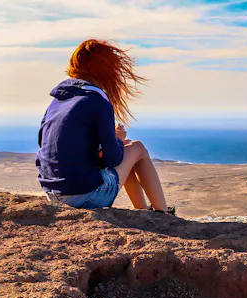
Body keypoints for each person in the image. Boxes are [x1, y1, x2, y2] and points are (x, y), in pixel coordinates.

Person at [36, 39, 173, 213]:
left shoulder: (57, 101)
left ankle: (144, 210)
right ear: (104, 70)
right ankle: (163, 212)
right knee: (137, 148)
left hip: (53, 193)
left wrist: (114, 144)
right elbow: (113, 159)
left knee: (126, 147)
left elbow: (46, 145)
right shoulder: (96, 101)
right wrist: (117, 138)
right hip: (84, 195)